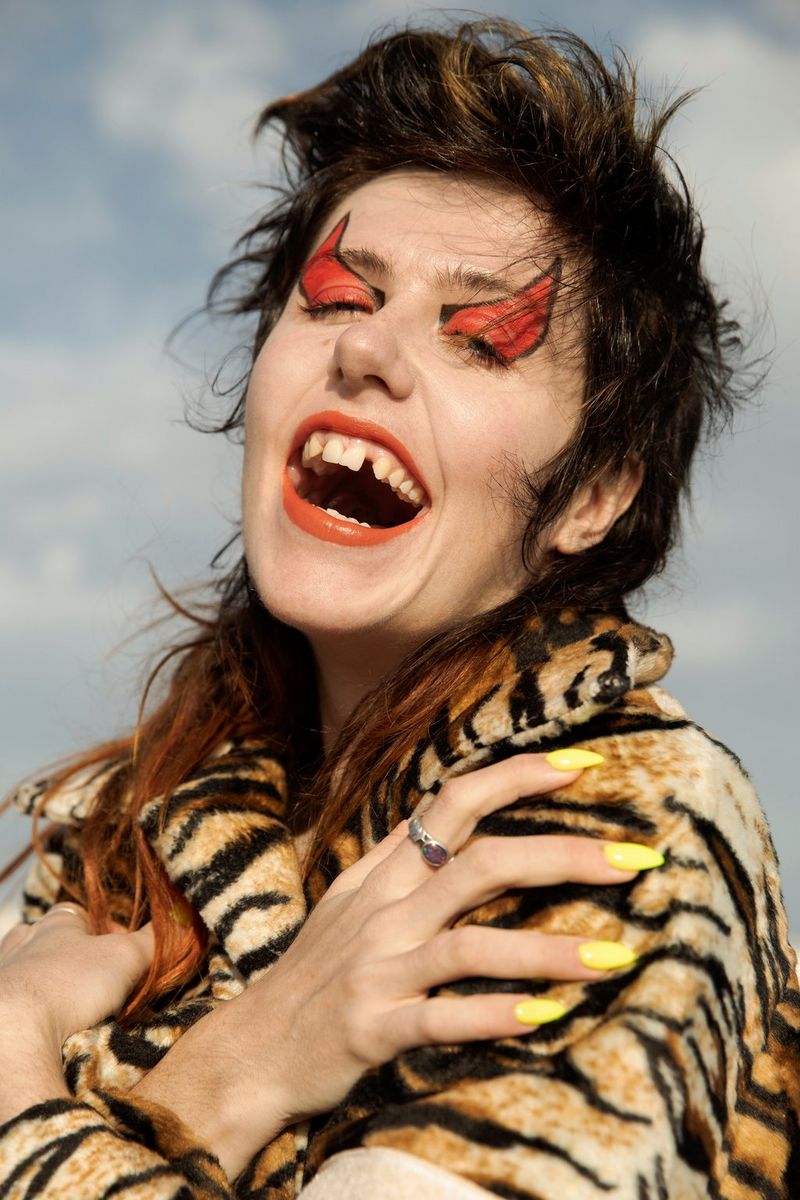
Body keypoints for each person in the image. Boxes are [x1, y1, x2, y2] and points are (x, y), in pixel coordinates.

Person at [0, 18, 798, 1200]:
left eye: (478, 338)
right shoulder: (129, 832)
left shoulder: (605, 837)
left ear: (590, 493)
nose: (368, 349)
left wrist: (25, 1082)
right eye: (333, 299)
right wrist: (213, 1083)